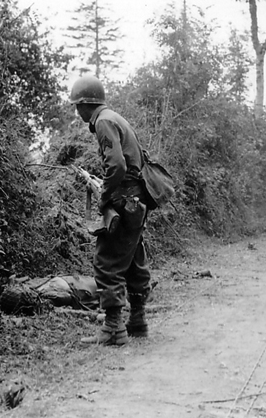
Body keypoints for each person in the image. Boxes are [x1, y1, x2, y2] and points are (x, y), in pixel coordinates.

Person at [71, 75, 152, 345]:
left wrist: (105, 195)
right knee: (133, 259)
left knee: (107, 261)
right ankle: (137, 320)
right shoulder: (115, 117)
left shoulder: (104, 121)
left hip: (125, 198)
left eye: (77, 105)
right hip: (136, 199)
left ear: (86, 104)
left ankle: (113, 329)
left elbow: (116, 166)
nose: (76, 111)